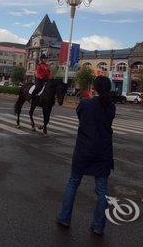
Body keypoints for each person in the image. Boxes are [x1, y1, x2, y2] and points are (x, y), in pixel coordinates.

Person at [57, 76, 116, 236]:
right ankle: (98, 226)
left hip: (84, 150)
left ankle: (64, 218)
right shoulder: (111, 107)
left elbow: (81, 116)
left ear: (94, 88)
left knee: (73, 182)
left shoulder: (85, 104)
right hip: (103, 152)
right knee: (103, 189)